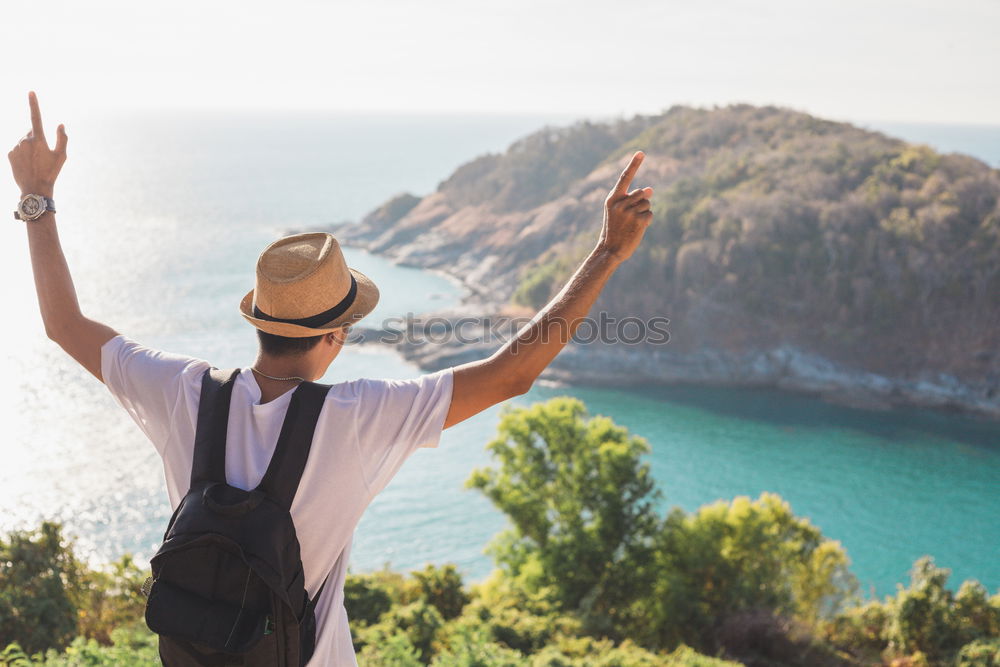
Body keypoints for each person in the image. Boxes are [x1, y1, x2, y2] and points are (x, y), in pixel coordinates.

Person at [9, 91, 654, 666]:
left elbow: (64, 324)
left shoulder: (182, 391)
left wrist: (38, 199)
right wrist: (607, 253)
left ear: (259, 320)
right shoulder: (357, 417)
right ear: (335, 335)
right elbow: (512, 374)